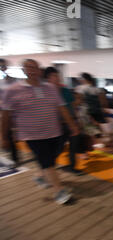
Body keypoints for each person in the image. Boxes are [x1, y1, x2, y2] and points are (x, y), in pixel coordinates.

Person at [1, 59, 79, 204]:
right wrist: (4, 137)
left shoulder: (50, 88)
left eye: (35, 68)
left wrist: (72, 125)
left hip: (54, 132)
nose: (32, 70)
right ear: (23, 71)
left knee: (52, 157)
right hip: (32, 135)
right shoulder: (12, 91)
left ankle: (39, 175)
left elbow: (61, 107)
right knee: (47, 161)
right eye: (28, 68)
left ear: (39, 71)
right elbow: (6, 115)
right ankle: (59, 191)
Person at [44, 67, 83, 175]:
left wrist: (77, 121)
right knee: (58, 149)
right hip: (58, 125)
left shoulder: (65, 90)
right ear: (48, 79)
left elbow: (72, 107)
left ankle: (72, 167)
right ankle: (48, 168)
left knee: (73, 147)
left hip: (71, 122)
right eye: (54, 76)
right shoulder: (46, 93)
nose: (57, 78)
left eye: (58, 75)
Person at [0, 58, 19, 167]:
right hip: (6, 112)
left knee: (18, 133)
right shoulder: (1, 83)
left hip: (17, 111)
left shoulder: (15, 81)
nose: (2, 68)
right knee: (9, 133)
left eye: (3, 66)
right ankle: (14, 158)